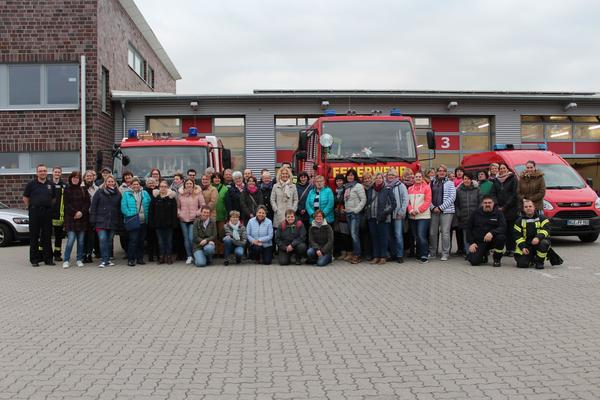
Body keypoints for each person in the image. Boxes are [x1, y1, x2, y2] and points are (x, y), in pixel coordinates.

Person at [23, 164, 56, 267]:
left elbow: (54, 198)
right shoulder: (31, 184)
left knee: (47, 236)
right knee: (34, 236)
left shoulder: (51, 184)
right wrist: (31, 207)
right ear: (37, 173)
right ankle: (34, 259)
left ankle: (48, 259)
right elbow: (25, 198)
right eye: (40, 171)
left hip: (47, 212)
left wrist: (48, 206)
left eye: (44, 171)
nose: (42, 172)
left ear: (47, 172)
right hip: (35, 212)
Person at [89, 175, 122, 268]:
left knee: (109, 241)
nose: (110, 183)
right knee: (103, 239)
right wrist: (93, 219)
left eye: (112, 181)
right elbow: (93, 206)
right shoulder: (99, 192)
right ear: (105, 182)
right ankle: (104, 260)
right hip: (100, 221)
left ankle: (107, 259)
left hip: (113, 221)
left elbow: (119, 209)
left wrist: (119, 222)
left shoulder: (118, 194)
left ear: (115, 183)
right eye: (109, 181)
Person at [466, 195, 506, 267]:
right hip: (480, 241)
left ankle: (497, 259)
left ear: (493, 204)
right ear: (482, 204)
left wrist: (492, 233)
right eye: (485, 203)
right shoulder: (475, 213)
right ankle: (483, 255)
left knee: (501, 238)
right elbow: (468, 228)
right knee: (474, 262)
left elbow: (503, 227)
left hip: (493, 240)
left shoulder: (498, 213)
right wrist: (471, 243)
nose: (487, 204)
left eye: (489, 203)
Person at [365, 172, 396, 265]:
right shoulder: (370, 190)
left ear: (383, 179)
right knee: (374, 238)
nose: (378, 179)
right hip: (372, 217)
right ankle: (376, 256)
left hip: (383, 218)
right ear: (374, 179)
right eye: (377, 178)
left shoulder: (387, 189)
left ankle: (383, 257)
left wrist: (385, 212)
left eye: (380, 178)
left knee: (383, 238)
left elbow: (393, 204)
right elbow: (367, 202)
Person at [62, 171, 90, 268]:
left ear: (79, 179)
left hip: (82, 219)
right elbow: (66, 204)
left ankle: (79, 259)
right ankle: (66, 260)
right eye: (73, 177)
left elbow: (87, 203)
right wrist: (75, 213)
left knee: (81, 241)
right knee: (71, 240)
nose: (75, 179)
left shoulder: (83, 189)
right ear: (70, 179)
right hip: (71, 218)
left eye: (77, 178)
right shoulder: (67, 189)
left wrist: (81, 212)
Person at [121, 177, 151, 267]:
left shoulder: (145, 193)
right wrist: (131, 214)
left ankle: (140, 258)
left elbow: (149, 204)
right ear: (131, 185)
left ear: (139, 185)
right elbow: (123, 207)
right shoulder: (126, 194)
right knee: (133, 240)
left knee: (141, 241)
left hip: (143, 221)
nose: (136, 186)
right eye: (134, 184)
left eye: (137, 184)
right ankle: (131, 259)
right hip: (133, 220)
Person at [429, 165, 456, 261]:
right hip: (433, 211)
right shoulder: (432, 182)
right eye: (440, 170)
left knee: (445, 233)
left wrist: (441, 208)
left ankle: (445, 253)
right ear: (437, 172)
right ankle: (432, 253)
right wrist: (433, 207)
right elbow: (428, 196)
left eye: (444, 171)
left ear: (446, 172)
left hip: (447, 211)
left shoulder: (450, 183)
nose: (442, 172)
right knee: (432, 232)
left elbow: (452, 197)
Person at [514, 199, 551, 269]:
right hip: (526, 245)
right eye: (526, 207)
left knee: (544, 243)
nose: (528, 208)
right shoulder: (518, 221)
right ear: (523, 209)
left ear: (534, 207)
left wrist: (538, 238)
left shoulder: (542, 218)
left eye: (530, 206)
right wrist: (523, 247)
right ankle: (531, 259)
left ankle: (539, 262)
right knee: (522, 264)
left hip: (538, 243)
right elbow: (517, 236)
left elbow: (546, 229)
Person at [178, 178, 206, 265]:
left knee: (191, 238)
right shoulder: (181, 194)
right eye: (187, 183)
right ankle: (189, 256)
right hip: (183, 219)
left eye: (190, 183)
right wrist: (179, 214)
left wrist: (197, 213)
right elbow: (178, 206)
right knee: (186, 239)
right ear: (184, 185)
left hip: (194, 220)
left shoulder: (198, 193)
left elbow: (202, 205)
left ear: (193, 185)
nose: (189, 185)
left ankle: (195, 255)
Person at [149, 180, 178, 264]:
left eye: (165, 186)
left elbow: (174, 212)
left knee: (169, 241)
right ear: (159, 187)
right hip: (158, 224)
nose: (163, 188)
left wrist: (174, 223)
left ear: (167, 187)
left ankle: (169, 257)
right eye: (161, 186)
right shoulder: (155, 198)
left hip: (169, 224)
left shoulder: (171, 198)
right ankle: (162, 257)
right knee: (160, 242)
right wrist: (152, 222)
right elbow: (151, 211)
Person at [494, 163, 518, 256]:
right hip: (499, 209)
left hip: (511, 208)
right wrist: (497, 205)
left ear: (507, 169)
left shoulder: (513, 179)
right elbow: (494, 193)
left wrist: (505, 206)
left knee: (511, 230)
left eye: (504, 168)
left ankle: (512, 249)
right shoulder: (496, 180)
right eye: (500, 168)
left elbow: (514, 194)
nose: (502, 170)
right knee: (503, 229)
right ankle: (506, 249)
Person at [343, 169, 367, 264]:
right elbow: (347, 200)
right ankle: (355, 253)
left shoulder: (358, 186)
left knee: (354, 234)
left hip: (355, 214)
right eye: (348, 175)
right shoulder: (347, 186)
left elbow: (363, 200)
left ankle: (357, 255)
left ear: (355, 177)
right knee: (352, 234)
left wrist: (356, 210)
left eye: (352, 175)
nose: (350, 177)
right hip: (348, 213)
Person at [407, 171, 432, 263]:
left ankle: (424, 255)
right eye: (416, 177)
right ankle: (419, 254)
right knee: (416, 236)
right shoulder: (410, 189)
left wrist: (417, 210)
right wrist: (410, 210)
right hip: (412, 216)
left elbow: (427, 201)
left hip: (423, 216)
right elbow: (408, 202)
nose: (418, 178)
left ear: (422, 178)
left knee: (421, 236)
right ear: (414, 178)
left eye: (419, 176)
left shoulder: (427, 188)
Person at [454, 172, 481, 255]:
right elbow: (456, 204)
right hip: (464, 217)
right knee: (466, 236)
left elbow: (480, 203)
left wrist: (478, 213)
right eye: (465, 179)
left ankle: (477, 252)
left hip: (475, 217)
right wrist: (459, 214)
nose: (467, 180)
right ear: (463, 180)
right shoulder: (458, 190)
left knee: (476, 235)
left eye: (469, 179)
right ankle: (468, 253)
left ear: (471, 180)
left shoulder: (477, 190)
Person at [386, 168, 408, 263]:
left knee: (398, 235)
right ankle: (393, 254)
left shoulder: (401, 185)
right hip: (388, 215)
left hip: (398, 214)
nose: (390, 176)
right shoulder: (385, 186)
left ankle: (399, 255)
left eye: (392, 175)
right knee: (389, 236)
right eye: (389, 175)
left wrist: (401, 212)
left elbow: (405, 199)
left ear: (396, 176)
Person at [49, 166, 67, 261]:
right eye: (55, 172)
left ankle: (57, 254)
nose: (57, 173)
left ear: (61, 174)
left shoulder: (64, 185)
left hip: (59, 215)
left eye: (58, 172)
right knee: (45, 236)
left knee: (58, 236)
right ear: (52, 173)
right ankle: (45, 254)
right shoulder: (47, 184)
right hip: (48, 215)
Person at [333, 174, 352, 260]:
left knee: (346, 235)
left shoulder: (346, 190)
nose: (339, 182)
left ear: (343, 181)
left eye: (340, 180)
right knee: (340, 235)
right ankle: (343, 253)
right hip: (337, 216)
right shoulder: (335, 191)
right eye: (337, 181)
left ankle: (349, 253)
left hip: (344, 215)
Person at [82, 170, 99, 263]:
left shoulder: (97, 189)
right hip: (83, 215)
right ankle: (83, 254)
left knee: (91, 236)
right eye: (87, 176)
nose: (89, 177)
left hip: (93, 215)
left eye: (91, 176)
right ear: (84, 178)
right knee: (83, 236)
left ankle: (89, 254)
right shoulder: (80, 188)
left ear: (93, 177)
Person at [211, 172, 229, 256]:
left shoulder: (225, 188)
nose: (217, 179)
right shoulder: (209, 187)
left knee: (221, 234)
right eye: (215, 178)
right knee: (213, 234)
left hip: (222, 214)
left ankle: (221, 251)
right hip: (211, 215)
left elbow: (227, 202)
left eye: (218, 178)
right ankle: (214, 251)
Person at [144, 177, 159, 262]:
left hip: (157, 218)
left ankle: (158, 255)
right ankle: (150, 256)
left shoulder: (158, 191)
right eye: (149, 183)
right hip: (149, 218)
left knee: (157, 238)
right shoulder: (144, 192)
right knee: (150, 238)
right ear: (146, 184)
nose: (151, 184)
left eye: (153, 183)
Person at [359, 171, 374, 261]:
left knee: (373, 234)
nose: (367, 180)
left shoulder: (374, 187)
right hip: (363, 214)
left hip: (372, 213)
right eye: (365, 179)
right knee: (364, 234)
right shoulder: (361, 188)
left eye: (368, 178)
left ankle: (373, 253)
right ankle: (367, 253)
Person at [402, 168, 416, 258]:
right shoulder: (402, 185)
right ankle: (406, 248)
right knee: (405, 231)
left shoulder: (415, 184)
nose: (409, 176)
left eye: (410, 174)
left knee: (412, 232)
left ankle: (412, 250)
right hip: (404, 211)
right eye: (407, 175)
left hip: (413, 210)